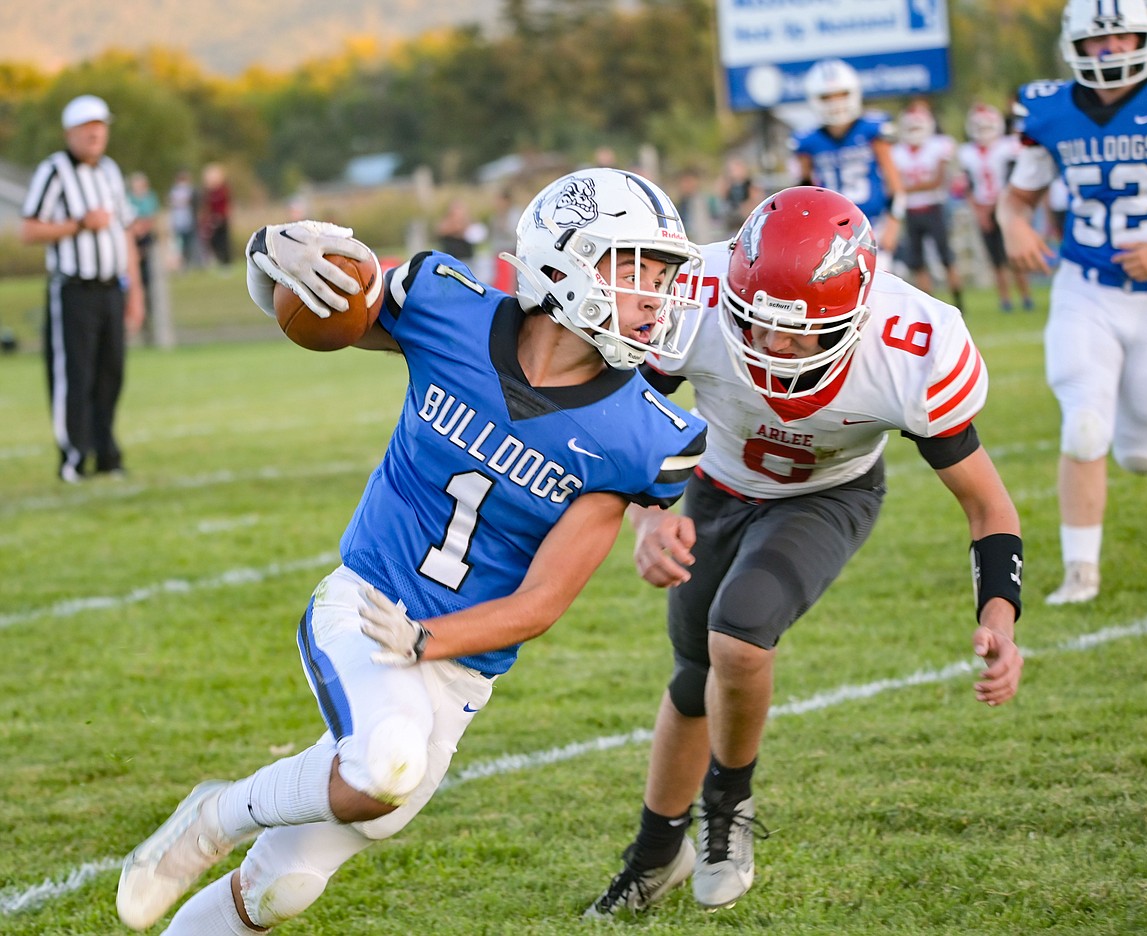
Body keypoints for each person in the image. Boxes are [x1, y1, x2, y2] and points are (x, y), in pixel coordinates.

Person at [114, 167, 710, 934]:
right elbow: (328, 305)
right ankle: (213, 818)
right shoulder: (449, 308)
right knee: (383, 766)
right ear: (565, 262)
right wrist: (272, 259)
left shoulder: (636, 435)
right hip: (367, 601)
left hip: (455, 665)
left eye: (661, 278)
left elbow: (541, 603)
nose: (654, 299)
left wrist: (431, 640)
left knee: (288, 882)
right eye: (637, 271)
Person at [585, 187, 1024, 917]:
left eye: (799, 334)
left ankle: (728, 813)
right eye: (755, 326)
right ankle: (655, 856)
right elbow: (633, 420)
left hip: (827, 496)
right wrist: (648, 516)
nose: (775, 348)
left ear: (856, 312)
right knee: (693, 674)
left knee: (739, 634)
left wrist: (1000, 617)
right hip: (717, 485)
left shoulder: (909, 344)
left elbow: (987, 503)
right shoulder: (692, 295)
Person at [997, 0, 1147, 605]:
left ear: (1144, 39)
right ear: (1075, 46)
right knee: (1085, 421)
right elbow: (1016, 198)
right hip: (1085, 287)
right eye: (1099, 41)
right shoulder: (1050, 109)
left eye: (1122, 38)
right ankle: (1081, 572)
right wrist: (1013, 223)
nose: (1112, 51)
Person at [20, 94, 144, 482]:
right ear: (69, 132)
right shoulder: (54, 171)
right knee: (75, 375)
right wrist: (78, 224)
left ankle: (106, 453)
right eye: (87, 126)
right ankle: (73, 457)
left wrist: (135, 292)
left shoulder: (109, 171)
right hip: (73, 289)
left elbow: (124, 232)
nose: (95, 133)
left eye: (101, 125)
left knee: (111, 373)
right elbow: (29, 229)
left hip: (111, 289)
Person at [790, 58, 906, 259]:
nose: (835, 103)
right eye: (827, 97)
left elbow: (895, 183)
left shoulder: (872, 130)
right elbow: (804, 191)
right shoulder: (808, 141)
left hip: (873, 224)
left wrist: (893, 224)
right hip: (831, 228)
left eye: (841, 94)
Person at [956, 103, 1034, 313]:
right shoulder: (967, 152)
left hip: (1005, 205)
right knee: (996, 259)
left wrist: (1006, 206)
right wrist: (979, 210)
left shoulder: (1007, 146)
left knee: (1014, 255)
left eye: (987, 126)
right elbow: (969, 185)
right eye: (979, 127)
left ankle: (1026, 297)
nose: (983, 132)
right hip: (983, 207)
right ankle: (1005, 300)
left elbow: (1014, 179)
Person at [890, 100, 965, 311]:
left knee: (946, 257)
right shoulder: (897, 151)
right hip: (911, 211)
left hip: (934, 207)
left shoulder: (937, 145)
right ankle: (929, 304)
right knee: (917, 261)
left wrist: (907, 188)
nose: (914, 131)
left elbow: (937, 181)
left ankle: (959, 301)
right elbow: (894, 183)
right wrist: (914, 187)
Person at [127, 171, 160, 337]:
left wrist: (142, 228)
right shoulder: (129, 199)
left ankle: (150, 314)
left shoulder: (150, 198)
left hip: (146, 240)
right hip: (133, 239)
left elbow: (151, 217)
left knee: (148, 281)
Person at [199, 162, 232, 266]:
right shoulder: (208, 192)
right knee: (213, 241)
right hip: (212, 219)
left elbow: (226, 204)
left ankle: (226, 262)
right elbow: (207, 206)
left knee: (223, 240)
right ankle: (219, 260)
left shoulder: (223, 189)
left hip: (222, 218)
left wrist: (221, 215)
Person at [167, 169, 198, 270]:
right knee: (181, 246)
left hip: (187, 222)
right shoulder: (176, 191)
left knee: (188, 245)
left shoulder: (187, 190)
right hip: (180, 223)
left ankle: (189, 264)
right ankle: (183, 265)